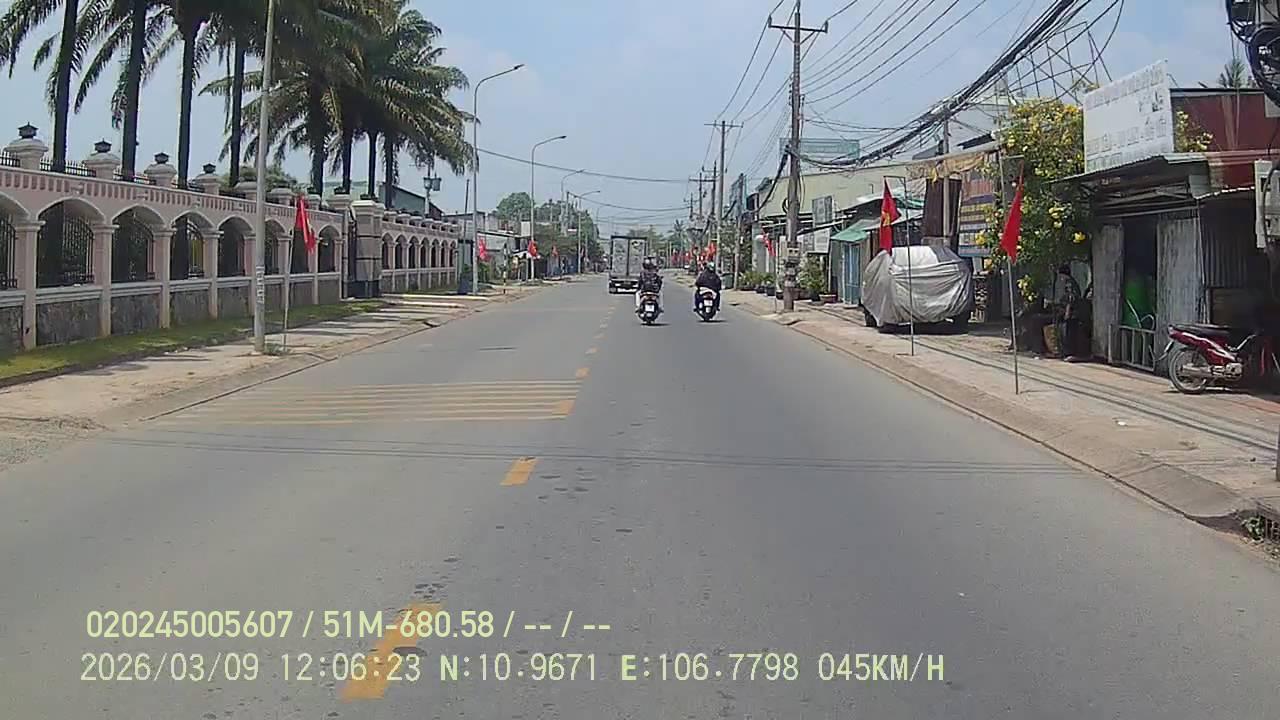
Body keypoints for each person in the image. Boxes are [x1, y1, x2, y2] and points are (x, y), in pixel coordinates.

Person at [1053, 263, 1082, 359]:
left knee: (1069, 333)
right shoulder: (1071, 281)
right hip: (1073, 312)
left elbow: (1071, 298)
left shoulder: (1069, 282)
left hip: (1073, 312)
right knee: (1069, 332)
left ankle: (1070, 353)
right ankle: (1068, 352)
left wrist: (1067, 312)